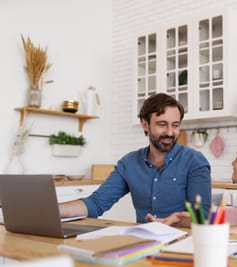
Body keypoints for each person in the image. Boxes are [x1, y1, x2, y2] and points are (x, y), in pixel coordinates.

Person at [59, 93, 211, 228]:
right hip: (143, 241)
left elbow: (202, 216)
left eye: (175, 125)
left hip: (184, 242)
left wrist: (176, 220)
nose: (170, 132)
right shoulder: (129, 163)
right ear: (145, 124)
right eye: (162, 124)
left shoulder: (195, 161)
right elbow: (96, 203)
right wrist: (51, 210)